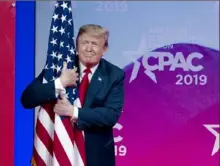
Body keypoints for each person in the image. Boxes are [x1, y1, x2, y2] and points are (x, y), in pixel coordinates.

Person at [21, 24, 125, 166]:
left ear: (104, 49)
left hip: (94, 157)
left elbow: (110, 115)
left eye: (94, 44)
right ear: (77, 45)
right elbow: (27, 99)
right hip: (57, 151)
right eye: (84, 43)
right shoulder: (59, 68)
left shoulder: (114, 75)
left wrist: (73, 112)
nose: (88, 48)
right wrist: (59, 83)